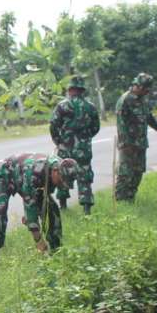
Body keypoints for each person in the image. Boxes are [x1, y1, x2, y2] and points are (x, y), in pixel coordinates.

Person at [0, 154, 78, 261]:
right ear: (55, 171)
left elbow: (39, 196)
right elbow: (30, 207)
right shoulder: (34, 172)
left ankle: (57, 251)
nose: (61, 185)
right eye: (61, 181)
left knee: (52, 210)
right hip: (3, 174)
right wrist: (38, 240)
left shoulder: (63, 165)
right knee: (0, 211)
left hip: (24, 179)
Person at [115, 73, 157, 202]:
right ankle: (120, 200)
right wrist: (125, 144)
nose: (148, 91)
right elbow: (121, 124)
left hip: (140, 143)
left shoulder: (143, 100)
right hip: (128, 145)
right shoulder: (125, 100)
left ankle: (130, 199)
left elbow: (149, 118)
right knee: (125, 173)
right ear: (138, 86)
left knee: (138, 172)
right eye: (146, 88)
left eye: (148, 89)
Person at [50, 75, 101, 214]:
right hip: (84, 149)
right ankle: (86, 208)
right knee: (84, 176)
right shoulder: (90, 107)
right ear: (82, 90)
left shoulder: (62, 105)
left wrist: (58, 141)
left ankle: (63, 205)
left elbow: (54, 125)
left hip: (65, 148)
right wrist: (86, 138)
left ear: (70, 89)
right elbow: (96, 127)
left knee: (63, 174)